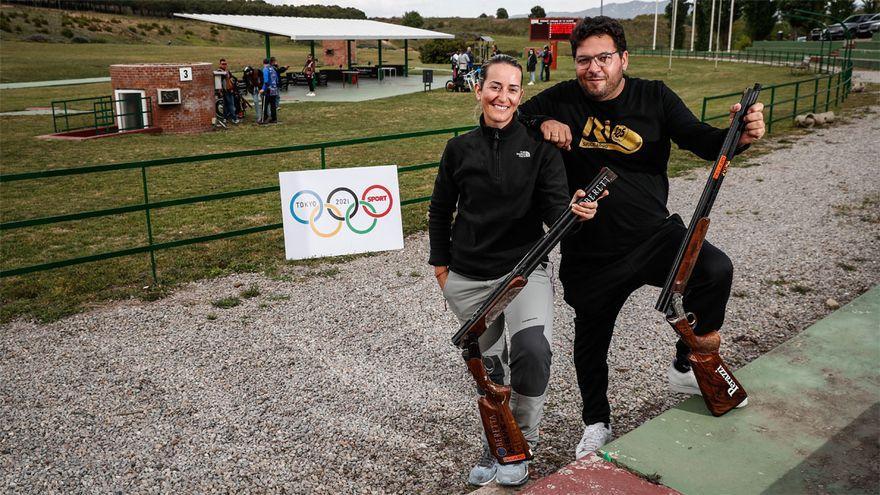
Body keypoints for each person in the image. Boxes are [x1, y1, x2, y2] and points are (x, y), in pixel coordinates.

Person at [517, 16, 765, 459]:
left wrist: (740, 135)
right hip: (589, 249)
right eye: (584, 60)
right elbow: (512, 116)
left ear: (623, 59)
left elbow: (705, 142)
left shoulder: (654, 96)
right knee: (590, 344)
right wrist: (541, 124)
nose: (594, 68)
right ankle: (596, 422)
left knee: (715, 270)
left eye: (604, 58)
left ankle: (686, 362)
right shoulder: (562, 98)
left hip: (653, 236)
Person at [429, 55, 604, 488]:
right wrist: (441, 270)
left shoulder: (541, 150)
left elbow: (555, 209)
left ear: (520, 96)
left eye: (511, 89)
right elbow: (439, 211)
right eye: (494, 87)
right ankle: (498, 442)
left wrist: (576, 210)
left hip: (525, 273)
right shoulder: (458, 149)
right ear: (479, 90)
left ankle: (523, 440)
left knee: (532, 351)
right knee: (489, 371)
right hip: (468, 279)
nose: (502, 96)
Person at [218, 58, 239, 124]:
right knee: (230, 105)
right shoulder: (219, 72)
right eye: (223, 64)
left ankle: (225, 118)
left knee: (227, 105)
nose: (224, 65)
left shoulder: (227, 71)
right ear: (220, 64)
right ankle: (234, 118)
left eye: (225, 64)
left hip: (230, 90)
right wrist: (220, 91)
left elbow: (232, 78)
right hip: (225, 91)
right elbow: (218, 82)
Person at [260, 57, 279, 123]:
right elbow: (277, 79)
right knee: (273, 105)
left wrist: (263, 89)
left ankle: (264, 119)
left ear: (263, 63)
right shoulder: (273, 69)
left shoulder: (265, 69)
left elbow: (266, 81)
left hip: (268, 89)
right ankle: (274, 119)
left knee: (264, 105)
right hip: (274, 89)